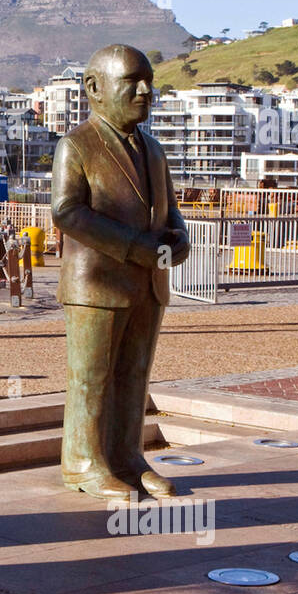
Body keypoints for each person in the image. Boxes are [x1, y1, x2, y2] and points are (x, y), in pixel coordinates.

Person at [51, 44, 190, 500]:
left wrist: (179, 237)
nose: (146, 90)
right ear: (94, 88)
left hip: (149, 284)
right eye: (133, 81)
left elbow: (168, 209)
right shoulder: (77, 145)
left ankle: (128, 457)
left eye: (149, 80)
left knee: (135, 374)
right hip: (97, 285)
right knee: (92, 376)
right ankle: (84, 462)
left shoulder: (153, 149)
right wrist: (136, 247)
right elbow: (67, 212)